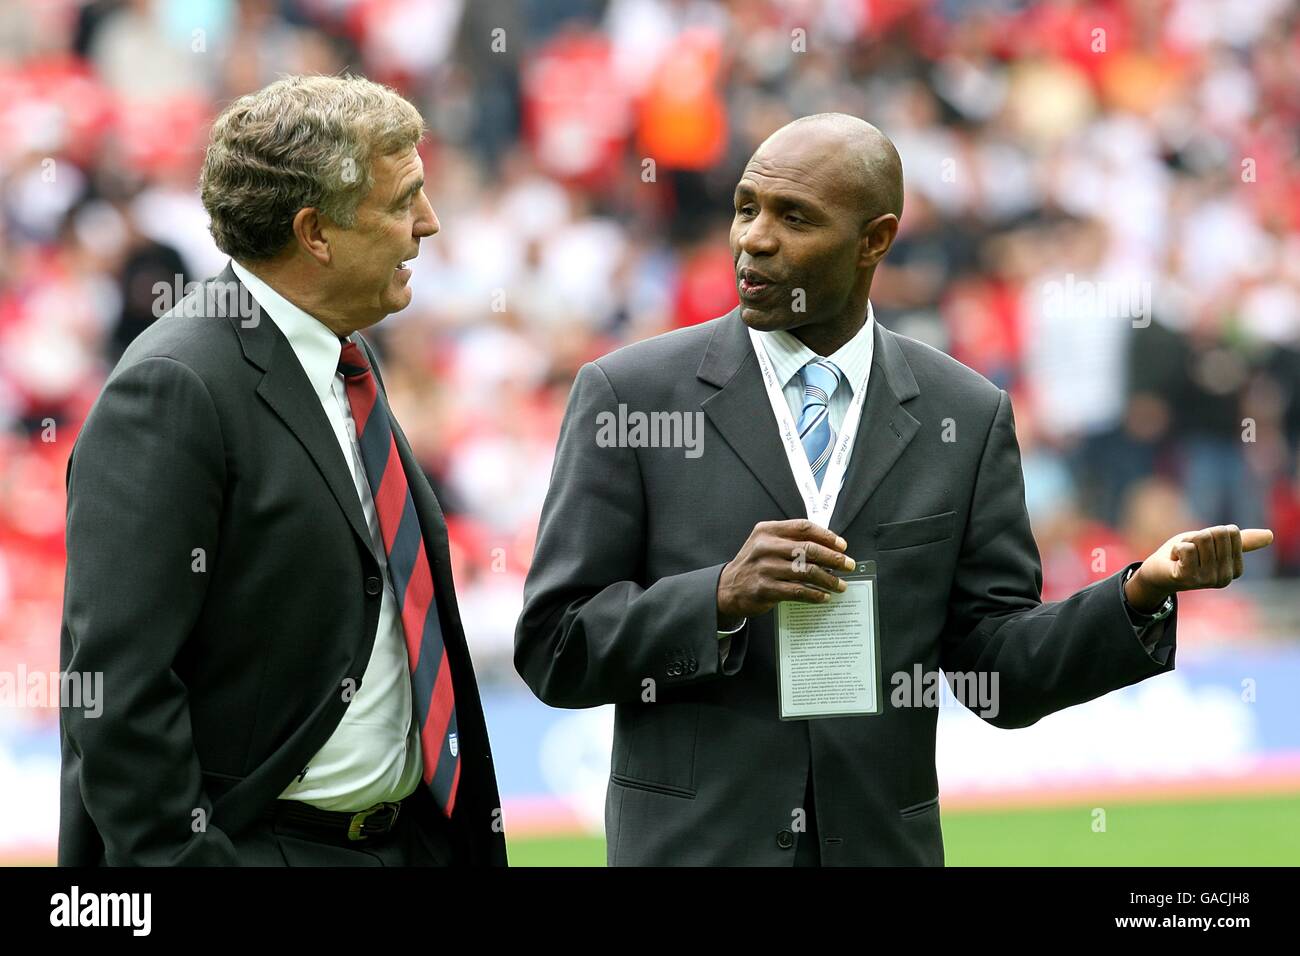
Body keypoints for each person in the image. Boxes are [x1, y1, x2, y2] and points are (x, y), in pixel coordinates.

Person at [514, 113, 1273, 866]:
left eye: (793, 217)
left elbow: (997, 672)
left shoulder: (965, 415)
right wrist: (714, 599)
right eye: (746, 207)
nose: (753, 238)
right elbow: (555, 645)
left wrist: (1139, 592)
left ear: (875, 239)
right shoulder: (630, 396)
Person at [59, 74, 506, 866]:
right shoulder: (173, 386)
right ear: (316, 233)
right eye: (404, 199)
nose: (428, 226)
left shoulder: (343, 357)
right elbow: (116, 696)